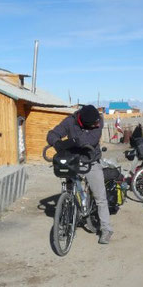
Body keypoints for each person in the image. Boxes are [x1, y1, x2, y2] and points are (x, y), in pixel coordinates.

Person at [46, 105, 113, 244]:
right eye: (94, 123)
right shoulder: (71, 121)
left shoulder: (98, 121)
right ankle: (68, 223)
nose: (97, 124)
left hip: (91, 161)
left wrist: (69, 142)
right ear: (85, 121)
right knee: (68, 193)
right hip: (72, 162)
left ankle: (106, 229)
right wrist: (57, 143)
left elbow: (89, 141)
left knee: (100, 197)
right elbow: (52, 134)